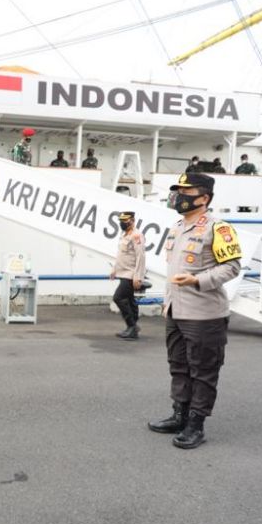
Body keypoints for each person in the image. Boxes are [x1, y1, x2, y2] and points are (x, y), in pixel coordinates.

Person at [148, 172, 241, 449]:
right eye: (178, 191)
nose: (179, 196)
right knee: (178, 366)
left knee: (203, 370)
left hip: (204, 315)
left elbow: (232, 267)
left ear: (204, 198)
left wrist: (197, 280)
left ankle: (196, 424)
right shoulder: (177, 227)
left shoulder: (219, 228)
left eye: (186, 192)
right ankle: (180, 415)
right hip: (176, 311)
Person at [109, 211, 146, 340]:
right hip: (123, 272)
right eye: (121, 221)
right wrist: (114, 269)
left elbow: (140, 257)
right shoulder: (124, 235)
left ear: (132, 220)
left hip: (131, 274)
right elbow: (121, 255)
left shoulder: (137, 235)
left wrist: (138, 276)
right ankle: (132, 327)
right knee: (130, 300)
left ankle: (132, 326)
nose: (122, 223)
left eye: (125, 221)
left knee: (118, 297)